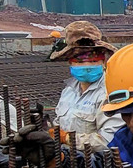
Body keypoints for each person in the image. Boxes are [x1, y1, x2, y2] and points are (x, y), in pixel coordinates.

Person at [50, 21, 122, 150]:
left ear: (104, 61)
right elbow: (58, 125)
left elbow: (109, 142)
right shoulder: (68, 92)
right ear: (70, 63)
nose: (87, 65)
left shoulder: (112, 92)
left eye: (93, 59)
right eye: (79, 60)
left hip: (97, 165)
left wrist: (67, 138)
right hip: (68, 162)